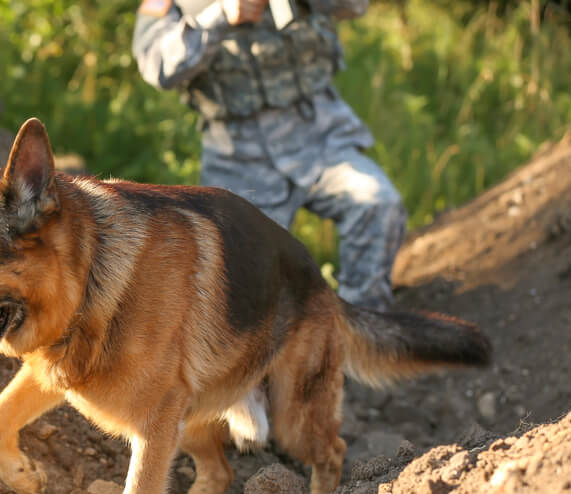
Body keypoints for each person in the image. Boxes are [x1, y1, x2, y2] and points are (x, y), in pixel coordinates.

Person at [132, 0, 405, 310]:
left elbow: (355, 6)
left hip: (319, 136)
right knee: (242, 286)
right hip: (236, 153)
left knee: (378, 203)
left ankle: (361, 330)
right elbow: (156, 66)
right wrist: (220, 16)